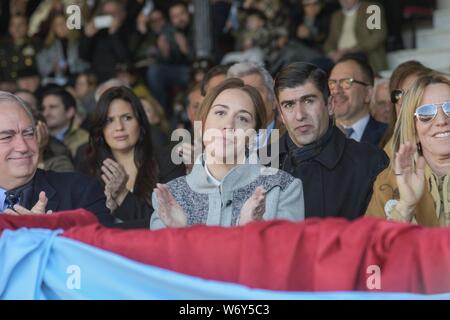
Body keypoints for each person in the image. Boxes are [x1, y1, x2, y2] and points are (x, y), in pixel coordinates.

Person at [150, 78, 304, 229]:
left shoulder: (283, 188)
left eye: (243, 118)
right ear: (202, 123)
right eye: (220, 113)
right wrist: (179, 234)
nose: (229, 125)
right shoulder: (170, 196)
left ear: (254, 135)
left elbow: (286, 253)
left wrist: (254, 230)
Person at [272, 62, 388, 219]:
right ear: (281, 114)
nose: (300, 115)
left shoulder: (370, 161)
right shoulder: (259, 162)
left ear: (330, 105)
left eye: (308, 101)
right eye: (289, 105)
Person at [0, 91, 112, 225]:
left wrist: (47, 235)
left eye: (28, 134)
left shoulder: (82, 192)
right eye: (6, 137)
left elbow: (102, 244)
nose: (23, 147)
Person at [87, 86, 184, 228]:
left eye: (127, 118)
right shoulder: (89, 168)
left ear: (140, 122)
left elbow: (170, 222)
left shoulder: (168, 161)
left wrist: (123, 195)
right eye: (109, 120)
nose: (119, 127)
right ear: (100, 129)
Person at [366, 72, 450, 227]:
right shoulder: (388, 182)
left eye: (449, 107)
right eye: (426, 113)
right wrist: (405, 207)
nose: (442, 121)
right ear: (413, 129)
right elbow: (372, 247)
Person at [329, 55, 387, 145]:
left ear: (368, 93)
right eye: (331, 83)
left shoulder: (389, 136)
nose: (336, 90)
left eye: (346, 82)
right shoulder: (317, 136)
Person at [379, 60, 431, 154]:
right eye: (397, 94)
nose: (402, 101)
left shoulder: (442, 142)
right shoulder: (387, 149)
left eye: (412, 93)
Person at [323, 0, 387, 73]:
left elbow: (378, 35)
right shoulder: (336, 15)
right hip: (339, 56)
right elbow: (330, 41)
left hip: (362, 54)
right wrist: (332, 53)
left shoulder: (371, 9)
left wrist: (353, 49)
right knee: (317, 65)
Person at [41, 88, 89, 157]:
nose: (46, 113)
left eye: (52, 107)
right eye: (43, 108)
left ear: (70, 112)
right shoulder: (37, 138)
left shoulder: (84, 139)